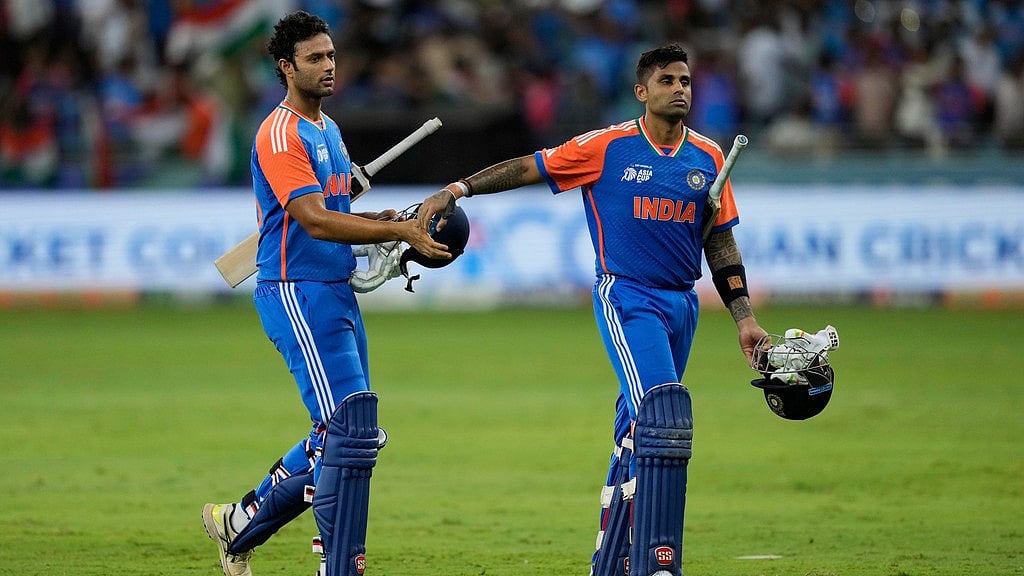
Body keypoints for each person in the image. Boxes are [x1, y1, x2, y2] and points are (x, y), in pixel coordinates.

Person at [417, 43, 767, 576]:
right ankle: (656, 559)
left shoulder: (709, 158)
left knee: (637, 428)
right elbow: (530, 169)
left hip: (683, 305)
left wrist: (743, 318)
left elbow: (720, 243)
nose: (680, 89)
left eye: (686, 81)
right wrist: (459, 188)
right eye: (668, 80)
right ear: (641, 92)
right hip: (628, 296)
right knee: (662, 414)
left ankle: (610, 561)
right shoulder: (607, 146)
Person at [202, 11, 450, 576]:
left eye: (332, 55)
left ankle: (239, 523)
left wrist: (379, 218)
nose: (329, 66)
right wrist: (400, 230)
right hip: (296, 292)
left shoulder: (328, 130)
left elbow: (336, 214)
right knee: (348, 432)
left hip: (333, 290)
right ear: (286, 67)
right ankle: (335, 561)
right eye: (315, 58)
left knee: (346, 431)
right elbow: (313, 220)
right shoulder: (280, 133)